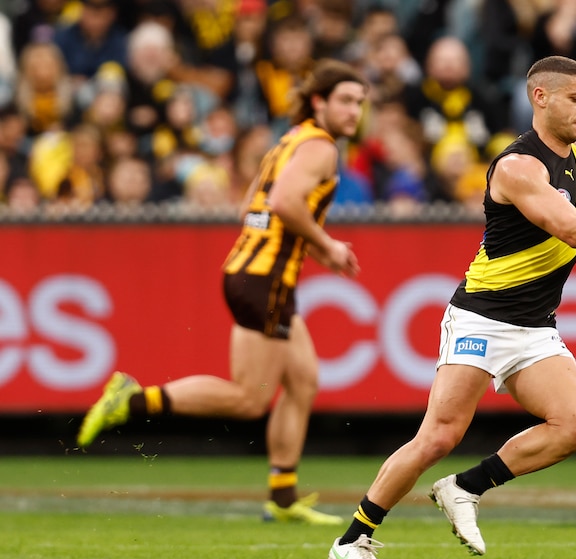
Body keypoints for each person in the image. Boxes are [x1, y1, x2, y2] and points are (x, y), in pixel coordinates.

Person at [327, 55, 576, 559]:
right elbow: (571, 229)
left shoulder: (572, 156)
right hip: (482, 317)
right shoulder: (516, 167)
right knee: (439, 435)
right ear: (539, 97)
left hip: (534, 326)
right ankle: (353, 539)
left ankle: (465, 487)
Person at [77, 58, 368, 526]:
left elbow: (251, 208)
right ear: (320, 102)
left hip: (255, 273)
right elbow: (284, 203)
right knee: (249, 399)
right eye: (346, 101)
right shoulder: (321, 148)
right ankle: (132, 399)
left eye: (360, 103)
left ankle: (283, 496)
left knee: (304, 381)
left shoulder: (288, 142)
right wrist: (327, 244)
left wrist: (310, 246)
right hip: (265, 280)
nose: (355, 111)